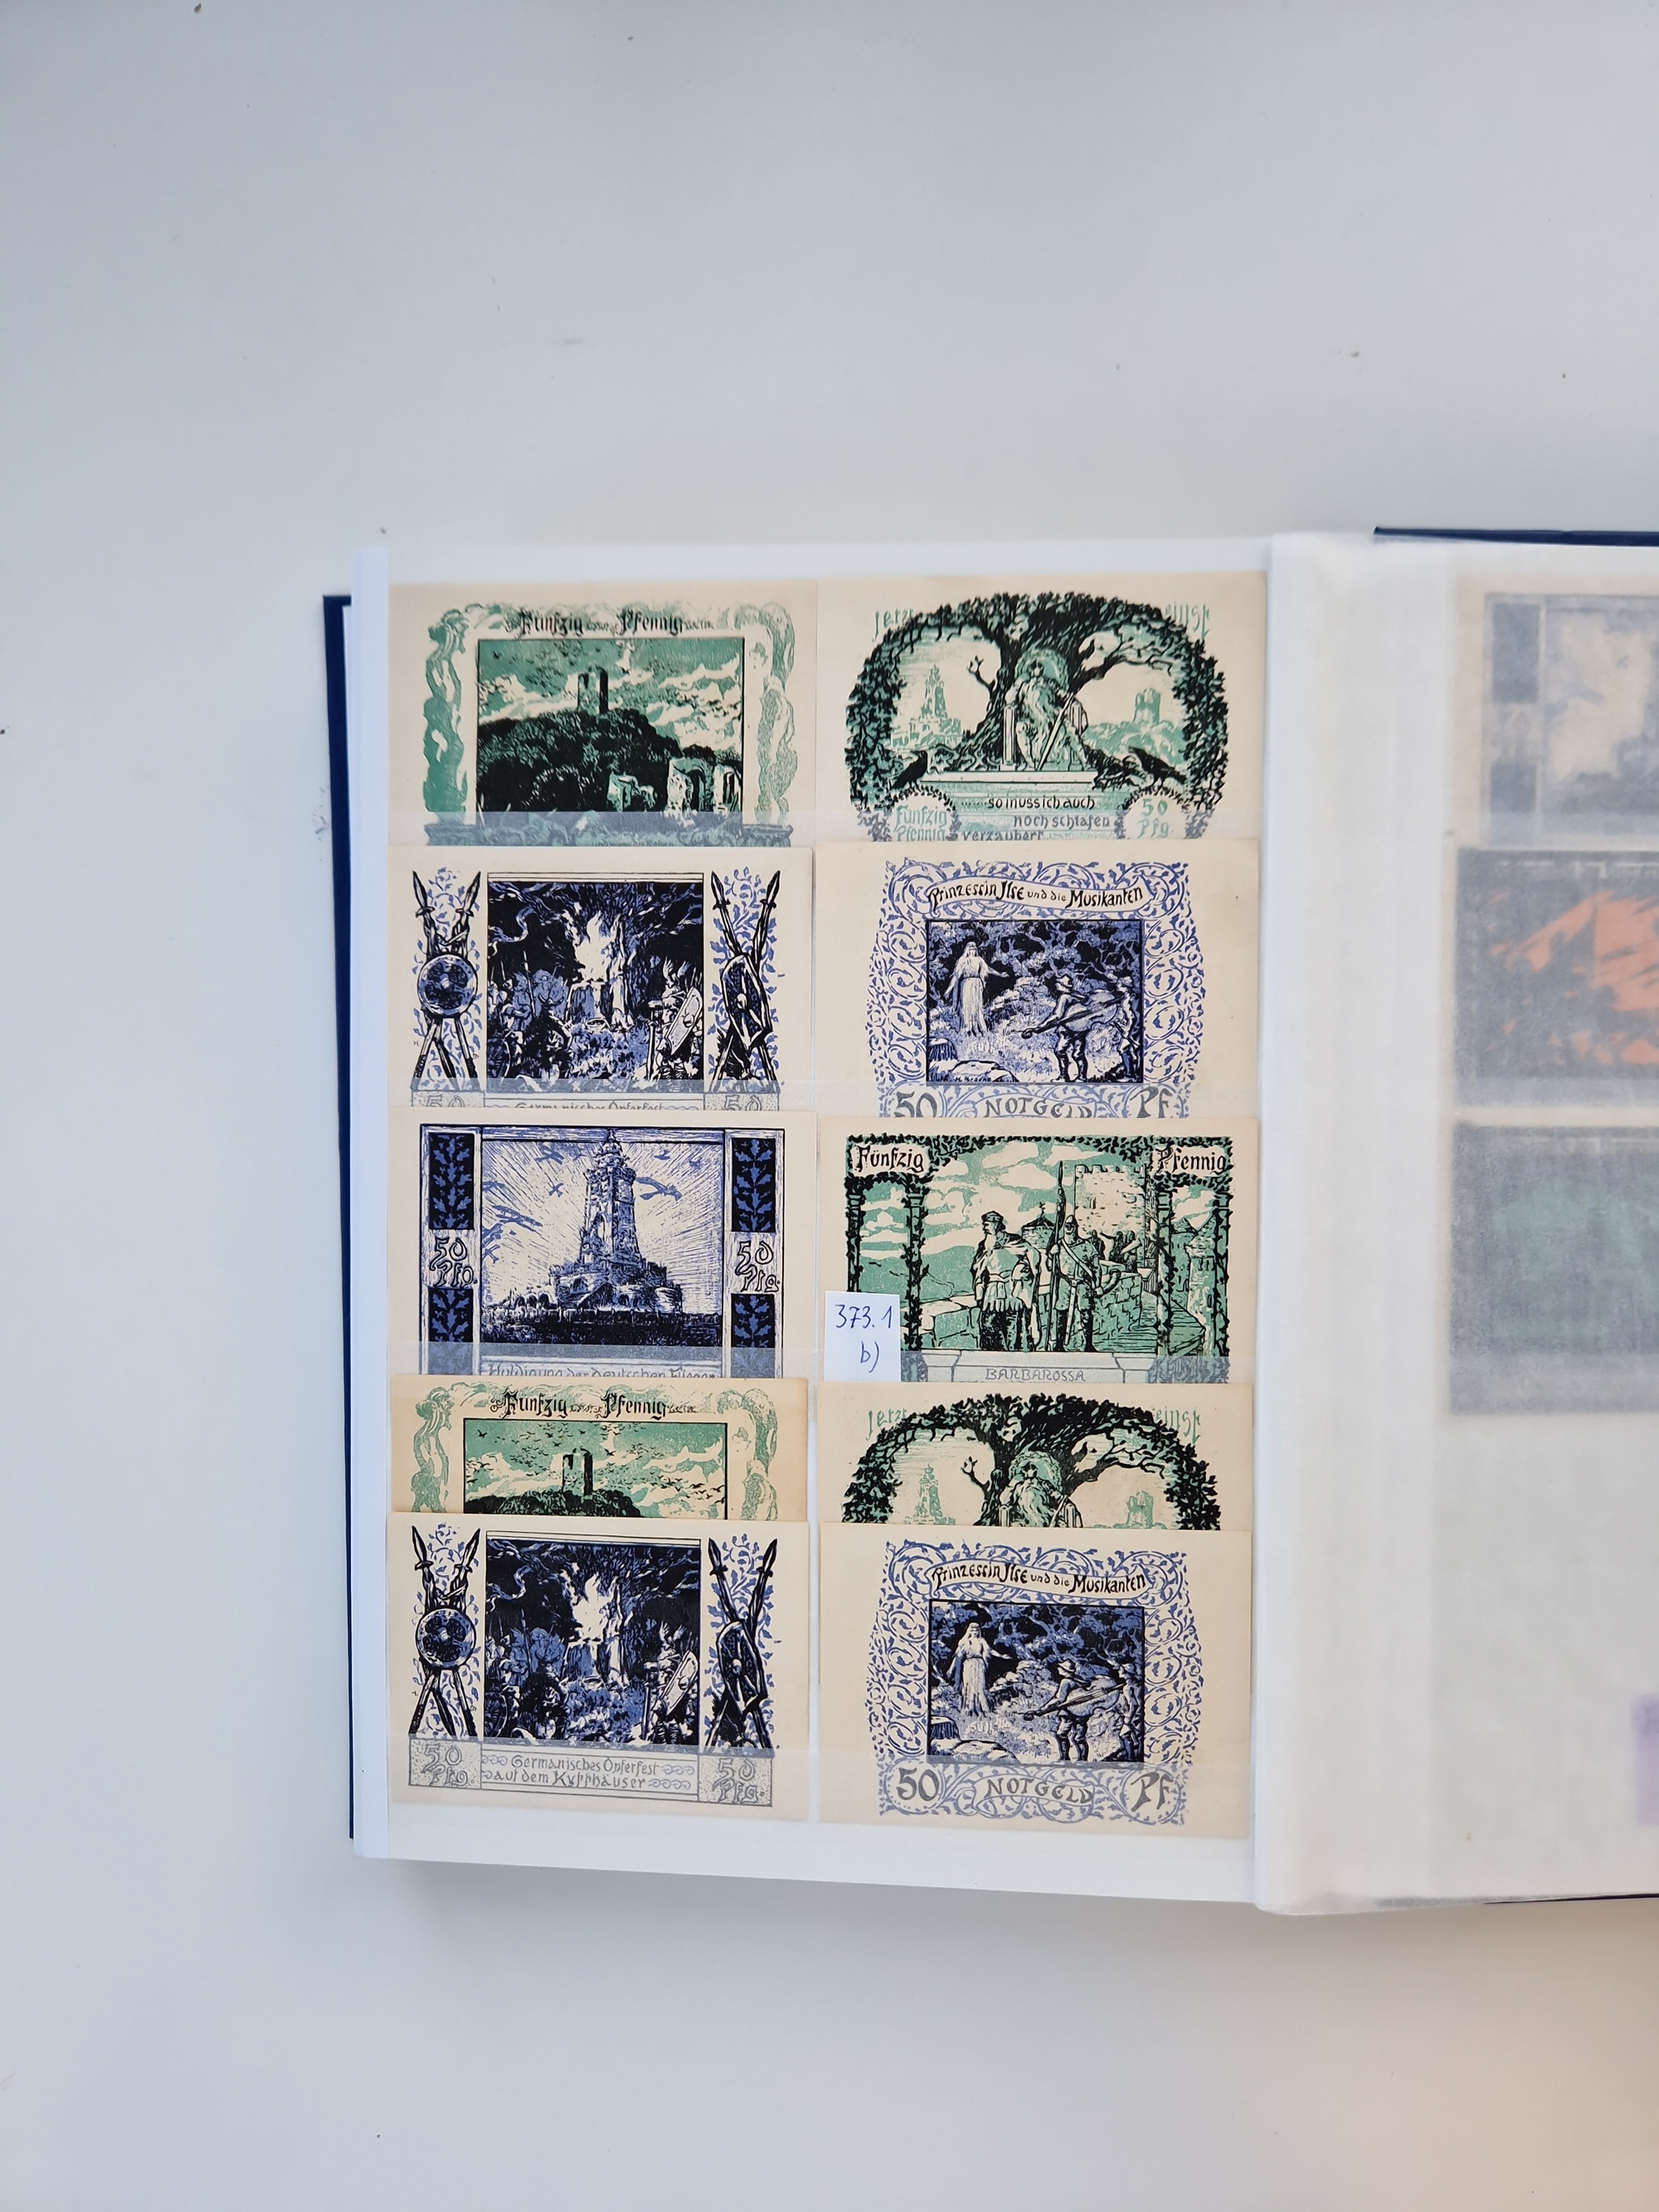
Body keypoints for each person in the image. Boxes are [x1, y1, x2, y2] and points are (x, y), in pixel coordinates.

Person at [1034, 1658, 1124, 1762]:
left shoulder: (1066, 1682)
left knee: (1061, 1735)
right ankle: (1082, 1760)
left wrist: (1043, 1709)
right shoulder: (1079, 1679)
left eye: (1060, 1667)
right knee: (1079, 1737)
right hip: (1083, 1712)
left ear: (1064, 1670)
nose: (1058, 1669)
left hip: (1069, 1713)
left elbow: (1059, 1700)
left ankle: (1065, 1759)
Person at [971, 1212, 1036, 1350]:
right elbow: (978, 1269)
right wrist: (979, 1291)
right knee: (988, 1324)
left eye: (987, 1225)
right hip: (991, 1293)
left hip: (1011, 1291)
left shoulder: (1013, 1241)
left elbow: (1032, 1256)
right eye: (984, 1225)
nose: (984, 1228)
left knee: (1012, 1327)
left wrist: (1021, 1268)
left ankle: (1012, 1354)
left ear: (996, 1225)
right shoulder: (984, 1245)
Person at [1021, 975, 1097, 1082]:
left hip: (1067, 1031)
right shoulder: (1078, 995)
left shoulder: (1064, 997)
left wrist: (1040, 1027)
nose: (1056, 985)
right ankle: (1082, 1078)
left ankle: (1064, 1077)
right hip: (1081, 1029)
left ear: (1062, 985)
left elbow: (1057, 1016)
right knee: (1078, 1054)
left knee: (1060, 1051)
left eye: (1058, 983)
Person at [945, 938, 993, 1036]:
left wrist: (1000, 974)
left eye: (974, 949)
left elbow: (988, 969)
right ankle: (967, 1029)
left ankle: (979, 1029)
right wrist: (948, 990)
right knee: (966, 1006)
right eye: (971, 949)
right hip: (966, 984)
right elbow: (956, 976)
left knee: (977, 1007)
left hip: (976, 984)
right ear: (967, 950)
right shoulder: (963, 960)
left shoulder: (979, 960)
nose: (972, 952)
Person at [951, 1619, 994, 1718]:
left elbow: (990, 1650)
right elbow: (959, 1654)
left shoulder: (981, 1641)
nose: (974, 1632)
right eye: (972, 1630)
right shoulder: (965, 1642)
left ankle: (982, 1709)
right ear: (969, 1631)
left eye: (976, 1630)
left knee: (979, 1685)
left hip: (979, 1664)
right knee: (968, 1685)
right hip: (968, 1664)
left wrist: (1001, 1656)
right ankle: (968, 1708)